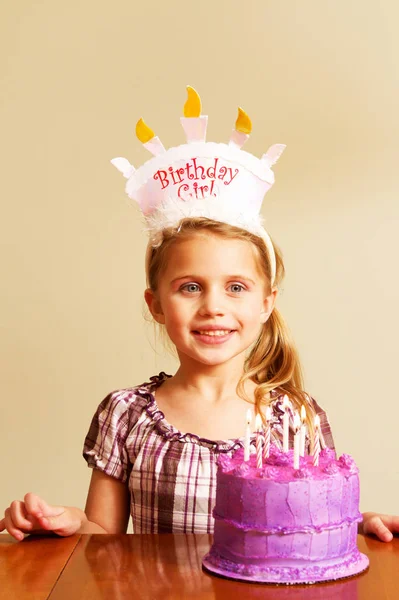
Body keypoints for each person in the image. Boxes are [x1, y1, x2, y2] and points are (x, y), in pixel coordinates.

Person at [1, 88, 398, 543]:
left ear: (266, 304)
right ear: (155, 305)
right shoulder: (126, 415)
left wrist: (364, 523)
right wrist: (68, 523)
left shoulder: (296, 419)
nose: (213, 306)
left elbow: (319, 523)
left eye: (235, 287)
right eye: (190, 287)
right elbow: (103, 542)